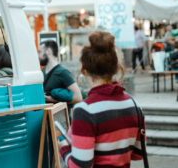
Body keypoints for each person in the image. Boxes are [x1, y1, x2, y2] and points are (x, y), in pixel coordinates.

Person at [59, 31, 146, 167]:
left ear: (84, 70)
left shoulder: (85, 110)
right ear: (115, 68)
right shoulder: (134, 105)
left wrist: (64, 148)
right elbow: (138, 154)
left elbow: (79, 166)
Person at [38, 40, 82, 104]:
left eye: (39, 52)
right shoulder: (42, 71)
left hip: (59, 114)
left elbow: (78, 98)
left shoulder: (63, 72)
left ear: (48, 51)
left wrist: (52, 100)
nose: (38, 56)